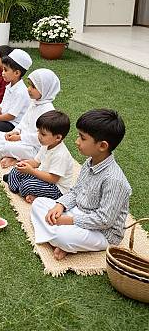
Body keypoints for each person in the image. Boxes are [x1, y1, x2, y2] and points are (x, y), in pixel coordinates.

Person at [31, 109, 131, 260]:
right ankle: (63, 244)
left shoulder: (115, 180)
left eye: (82, 138)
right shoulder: (89, 162)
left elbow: (104, 220)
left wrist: (69, 221)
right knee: (38, 204)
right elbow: (75, 191)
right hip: (78, 212)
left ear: (102, 146)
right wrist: (60, 206)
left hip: (102, 233)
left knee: (63, 236)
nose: (77, 141)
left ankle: (62, 242)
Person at [0, 68, 61, 167]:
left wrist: (20, 137)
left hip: (33, 148)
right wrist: (15, 131)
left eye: (33, 87)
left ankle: (16, 159)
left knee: (8, 147)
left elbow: (41, 138)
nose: (28, 89)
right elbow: (23, 122)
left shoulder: (48, 111)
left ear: (45, 89)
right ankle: (14, 157)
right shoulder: (34, 103)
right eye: (29, 85)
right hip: (21, 140)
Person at [4, 110, 74, 203]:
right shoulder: (46, 145)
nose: (39, 136)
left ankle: (19, 186)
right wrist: (24, 164)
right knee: (16, 170)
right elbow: (36, 162)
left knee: (27, 185)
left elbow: (53, 179)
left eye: (43, 134)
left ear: (58, 137)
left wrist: (31, 171)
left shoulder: (61, 155)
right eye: (38, 132)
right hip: (42, 176)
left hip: (56, 188)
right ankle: (19, 185)